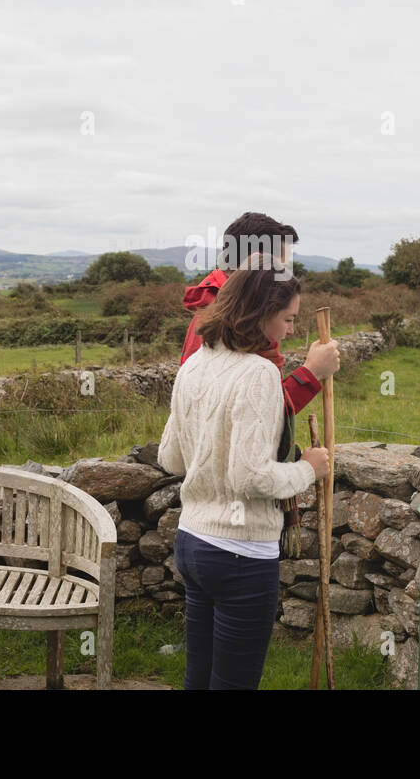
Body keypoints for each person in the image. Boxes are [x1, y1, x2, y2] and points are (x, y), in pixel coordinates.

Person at [158, 252, 332, 689]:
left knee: (198, 677)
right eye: (289, 319)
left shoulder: (196, 363)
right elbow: (250, 478)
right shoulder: (257, 374)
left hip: (193, 543)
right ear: (262, 313)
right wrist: (308, 469)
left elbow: (171, 458)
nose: (292, 330)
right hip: (240, 554)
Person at [181, 212, 340, 414]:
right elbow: (256, 416)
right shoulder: (223, 323)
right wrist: (312, 371)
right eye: (278, 268)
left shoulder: (241, 312)